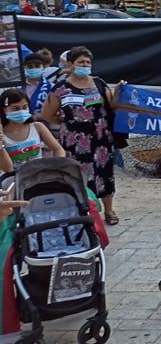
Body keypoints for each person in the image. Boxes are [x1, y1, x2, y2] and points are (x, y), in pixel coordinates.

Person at [41, 47, 119, 225]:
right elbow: (47, 114)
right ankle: (87, 211)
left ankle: (109, 210)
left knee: (105, 173)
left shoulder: (99, 83)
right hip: (74, 142)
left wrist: (120, 91)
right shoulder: (61, 88)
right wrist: (66, 123)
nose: (85, 65)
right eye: (81, 62)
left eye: (88, 62)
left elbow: (112, 105)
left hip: (101, 139)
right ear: (70, 64)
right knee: (80, 175)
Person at [1, 88, 64, 163]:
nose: (21, 111)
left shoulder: (37, 127)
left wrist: (56, 167)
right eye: (15, 108)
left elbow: (58, 150)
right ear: (3, 109)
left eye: (25, 107)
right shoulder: (2, 134)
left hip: (38, 173)